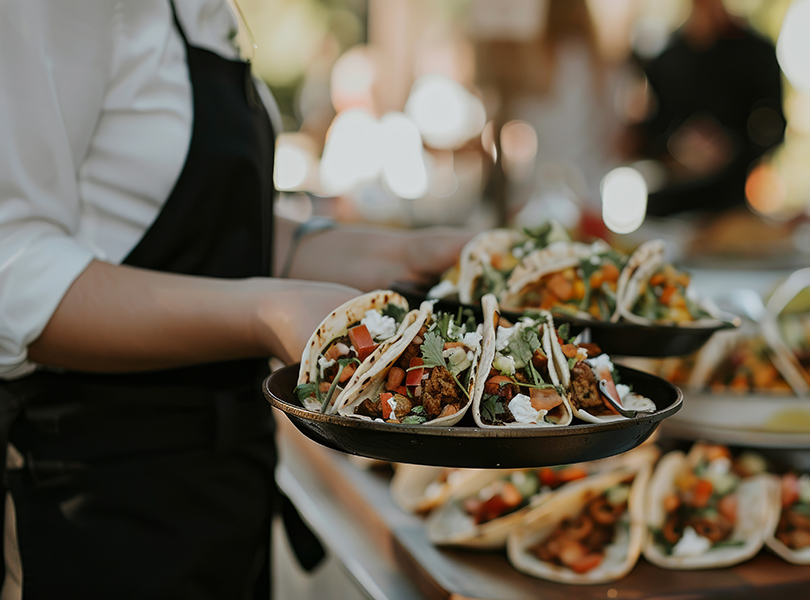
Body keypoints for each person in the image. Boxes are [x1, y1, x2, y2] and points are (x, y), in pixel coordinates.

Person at [0, 1, 470, 598]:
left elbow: (222, 231)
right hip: (100, 501)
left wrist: (408, 255)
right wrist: (266, 313)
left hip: (227, 487)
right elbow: (13, 269)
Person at [622, 0, 786, 217]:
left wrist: (731, 146)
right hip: (671, 207)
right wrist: (675, 148)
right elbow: (647, 134)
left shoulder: (757, 53)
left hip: (730, 203)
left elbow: (773, 127)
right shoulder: (665, 58)